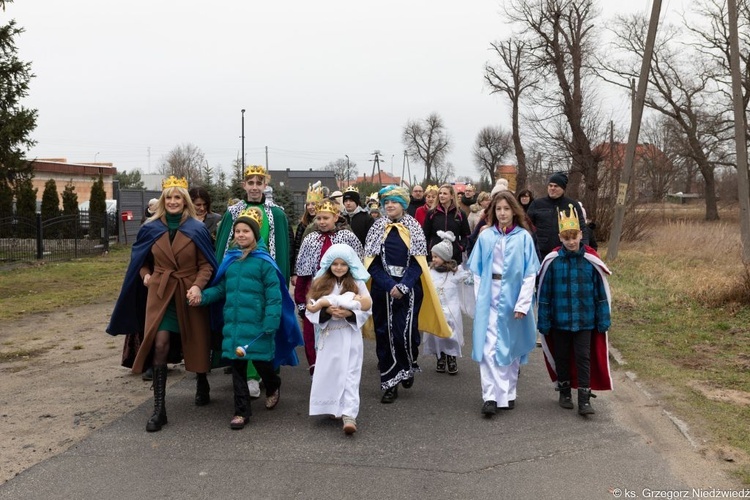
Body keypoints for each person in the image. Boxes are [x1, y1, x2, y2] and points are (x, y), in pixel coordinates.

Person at [107, 176, 218, 432]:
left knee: (196, 341)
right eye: (169, 197)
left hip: (189, 293)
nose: (173, 202)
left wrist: (198, 286)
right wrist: (146, 276)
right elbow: (141, 261)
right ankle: (159, 408)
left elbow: (207, 265)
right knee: (160, 343)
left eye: (178, 197)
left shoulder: (197, 229)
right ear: (163, 201)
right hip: (161, 293)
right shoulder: (150, 228)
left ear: (185, 200)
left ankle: (202, 380)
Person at [189, 207, 284, 429]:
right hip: (234, 324)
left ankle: (273, 385)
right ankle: (241, 411)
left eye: (246, 231)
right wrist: (202, 297)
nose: (241, 235)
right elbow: (222, 289)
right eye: (237, 231)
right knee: (238, 369)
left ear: (255, 235)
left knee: (262, 364)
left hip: (258, 324)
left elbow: (274, 295)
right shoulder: (231, 260)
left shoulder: (264, 262)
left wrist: (271, 320)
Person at [363, 185, 450, 403]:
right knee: (384, 335)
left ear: (402, 205)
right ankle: (390, 381)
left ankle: (408, 362)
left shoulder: (414, 227)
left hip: (408, 290)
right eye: (386, 203)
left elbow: (418, 262)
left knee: (405, 334)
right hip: (383, 290)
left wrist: (404, 285)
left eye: (394, 202)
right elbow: (371, 264)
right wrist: (388, 284)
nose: (389, 206)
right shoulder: (376, 228)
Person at [213, 164, 293, 397]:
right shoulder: (232, 212)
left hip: (263, 278)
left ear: (265, 185)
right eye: (251, 183)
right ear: (244, 185)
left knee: (262, 325)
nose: (255, 187)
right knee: (242, 324)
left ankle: (264, 374)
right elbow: (222, 248)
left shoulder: (276, 213)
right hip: (239, 278)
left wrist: (282, 279)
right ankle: (247, 378)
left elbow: (282, 251)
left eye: (259, 183)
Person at [466, 190, 540, 417]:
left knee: (510, 347)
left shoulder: (523, 238)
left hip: (514, 297)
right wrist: (480, 299)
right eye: (498, 209)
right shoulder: (486, 237)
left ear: (514, 211)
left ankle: (507, 394)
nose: (502, 213)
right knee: (489, 348)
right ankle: (489, 396)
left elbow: (530, 273)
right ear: (493, 212)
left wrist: (522, 304)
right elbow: (477, 272)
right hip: (490, 295)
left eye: (506, 209)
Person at [537, 204, 612, 415]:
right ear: (560, 238)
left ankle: (585, 398)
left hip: (585, 319)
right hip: (560, 320)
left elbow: (600, 294)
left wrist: (603, 318)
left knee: (583, 356)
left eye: (574, 237)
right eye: (566, 238)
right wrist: (544, 320)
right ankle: (564, 391)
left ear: (581, 235)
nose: (571, 242)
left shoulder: (590, 262)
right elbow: (545, 295)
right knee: (562, 356)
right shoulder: (552, 262)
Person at [305, 244, 372, 435]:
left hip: (349, 335)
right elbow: (310, 307)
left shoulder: (357, 283)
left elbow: (367, 306)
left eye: (343, 264)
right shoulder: (320, 283)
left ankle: (349, 414)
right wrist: (326, 311)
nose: (339, 267)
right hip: (330, 336)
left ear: (350, 265)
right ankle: (334, 406)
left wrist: (349, 312)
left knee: (350, 373)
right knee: (332, 372)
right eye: (335, 263)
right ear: (329, 265)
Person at [294, 199, 363, 376]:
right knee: (313, 336)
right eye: (318, 218)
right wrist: (301, 301)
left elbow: (357, 268)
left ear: (336, 216)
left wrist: (353, 297)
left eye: (326, 218)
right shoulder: (310, 239)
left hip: (341, 291)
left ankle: (339, 373)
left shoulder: (347, 237)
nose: (322, 222)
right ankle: (317, 372)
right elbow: (302, 273)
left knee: (337, 335)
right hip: (316, 292)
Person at [420, 231, 470, 375]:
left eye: (436, 256)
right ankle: (440, 356)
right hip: (436, 309)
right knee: (437, 334)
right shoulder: (430, 272)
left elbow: (467, 274)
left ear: (445, 257)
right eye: (433, 256)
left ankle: (452, 357)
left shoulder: (454, 273)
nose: (433, 259)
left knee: (451, 333)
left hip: (451, 310)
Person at [527, 172, 587, 260]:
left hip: (565, 252)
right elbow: (527, 226)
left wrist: (584, 248)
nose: (552, 188)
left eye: (556, 186)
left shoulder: (572, 205)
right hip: (541, 252)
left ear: (563, 188)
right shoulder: (537, 204)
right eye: (550, 185)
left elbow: (582, 228)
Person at [422, 184, 470, 265]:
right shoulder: (432, 213)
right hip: (434, 257)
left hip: (454, 257)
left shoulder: (460, 214)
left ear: (452, 196)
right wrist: (429, 248)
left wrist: (459, 247)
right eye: (440, 193)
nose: (441, 196)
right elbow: (425, 235)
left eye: (445, 193)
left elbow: (466, 235)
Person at [294, 183, 322, 265]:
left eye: (313, 204)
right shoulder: (302, 225)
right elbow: (297, 248)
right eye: (308, 204)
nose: (310, 207)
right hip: (306, 263)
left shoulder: (326, 224)